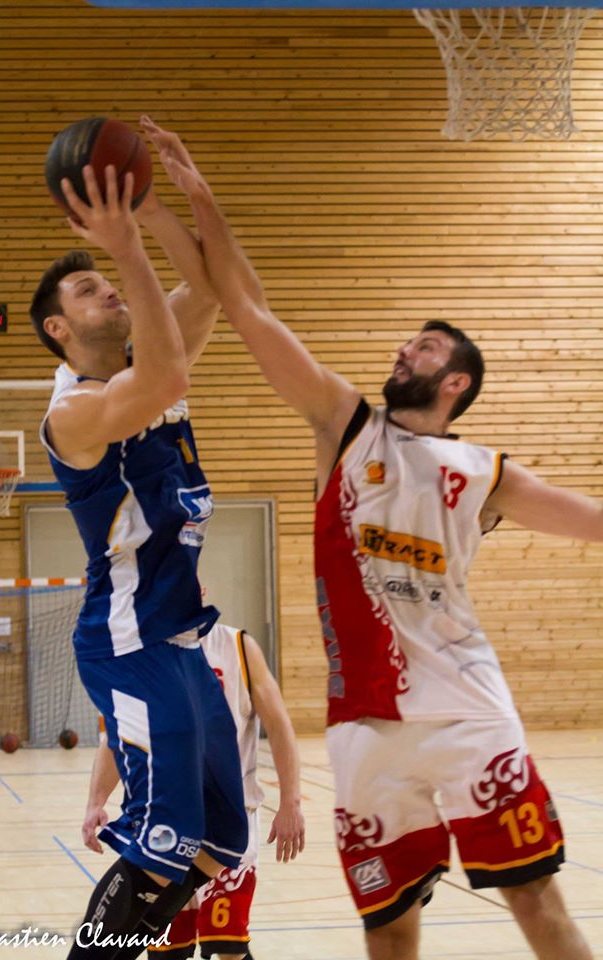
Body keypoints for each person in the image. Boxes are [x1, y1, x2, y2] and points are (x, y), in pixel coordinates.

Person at [139, 116, 599, 960]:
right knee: (388, 927)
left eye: (422, 346)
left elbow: (593, 521)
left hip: (466, 706)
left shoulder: (484, 471)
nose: (403, 348)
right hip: (362, 729)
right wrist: (187, 200)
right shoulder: (344, 428)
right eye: (405, 339)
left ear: (454, 380)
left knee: (534, 896)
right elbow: (245, 306)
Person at [30, 143, 248, 959]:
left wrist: (172, 206)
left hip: (183, 641)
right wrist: (124, 242)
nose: (111, 286)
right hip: (128, 643)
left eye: (108, 276)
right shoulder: (75, 415)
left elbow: (218, 286)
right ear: (58, 328)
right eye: (88, 289)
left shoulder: (143, 358)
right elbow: (158, 383)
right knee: (159, 842)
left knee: (214, 844)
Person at [83, 619, 305, 960]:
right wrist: (96, 801)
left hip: (230, 820)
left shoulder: (238, 647)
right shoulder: (142, 652)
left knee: (228, 944)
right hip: (167, 823)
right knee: (166, 951)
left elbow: (279, 725)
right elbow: (116, 737)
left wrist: (290, 802)